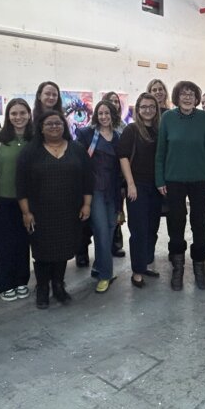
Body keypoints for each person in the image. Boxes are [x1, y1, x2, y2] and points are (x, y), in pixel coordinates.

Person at [16, 112, 93, 308]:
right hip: (40, 212)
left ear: (64, 126)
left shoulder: (76, 149)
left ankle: (58, 285)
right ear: (40, 128)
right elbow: (21, 185)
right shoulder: (30, 152)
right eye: (48, 124)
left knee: (63, 250)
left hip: (69, 211)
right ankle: (42, 288)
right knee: (42, 251)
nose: (54, 127)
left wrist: (87, 204)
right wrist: (26, 213)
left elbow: (87, 180)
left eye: (57, 123)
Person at [155, 80, 205, 290]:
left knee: (199, 222)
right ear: (177, 96)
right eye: (183, 93)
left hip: (199, 178)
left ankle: (199, 266)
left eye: (191, 93)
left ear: (197, 97)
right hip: (173, 179)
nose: (188, 97)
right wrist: (160, 179)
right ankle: (178, 266)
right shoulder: (167, 118)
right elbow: (161, 151)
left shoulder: (204, 118)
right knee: (176, 220)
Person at [0, 98, 33, 301]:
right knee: (5, 244)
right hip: (3, 200)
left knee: (23, 242)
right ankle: (5, 284)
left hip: (29, 201)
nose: (18, 117)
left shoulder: (36, 138)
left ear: (29, 115)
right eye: (14, 113)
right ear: (8, 116)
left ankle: (22, 280)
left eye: (22, 113)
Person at [76, 100, 122, 294]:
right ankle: (105, 275)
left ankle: (99, 267)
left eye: (107, 113)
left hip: (112, 191)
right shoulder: (86, 134)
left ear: (113, 115)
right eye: (100, 113)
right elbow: (78, 161)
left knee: (110, 230)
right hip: (93, 190)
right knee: (102, 232)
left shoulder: (119, 137)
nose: (103, 116)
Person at [118, 93, 162, 288]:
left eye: (151, 106)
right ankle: (137, 271)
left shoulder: (160, 129)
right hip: (138, 187)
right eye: (143, 107)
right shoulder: (132, 130)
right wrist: (130, 184)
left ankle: (145, 263)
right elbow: (123, 157)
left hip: (157, 186)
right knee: (138, 229)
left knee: (152, 228)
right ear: (137, 109)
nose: (148, 110)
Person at [101, 91, 127, 259]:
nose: (114, 104)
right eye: (110, 101)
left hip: (118, 176)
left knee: (117, 211)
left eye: (116, 101)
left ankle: (115, 244)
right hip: (100, 177)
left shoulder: (123, 125)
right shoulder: (94, 125)